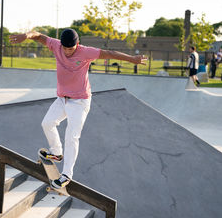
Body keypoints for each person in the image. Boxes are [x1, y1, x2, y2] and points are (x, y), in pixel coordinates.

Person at [9, 29, 147, 189]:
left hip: (80, 102)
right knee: (47, 123)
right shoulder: (56, 45)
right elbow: (38, 35)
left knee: (71, 136)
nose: (67, 52)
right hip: (62, 99)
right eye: (65, 48)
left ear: (77, 44)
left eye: (71, 49)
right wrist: (26, 36)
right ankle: (57, 152)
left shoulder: (86, 52)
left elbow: (110, 53)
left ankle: (67, 174)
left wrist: (133, 59)